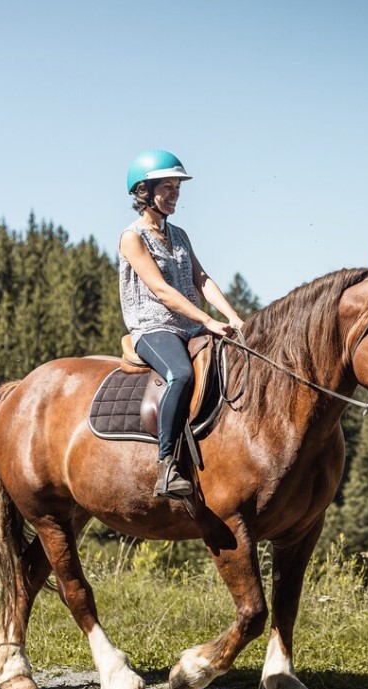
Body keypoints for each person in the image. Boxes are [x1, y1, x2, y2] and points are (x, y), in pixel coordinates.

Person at [118, 149, 246, 499]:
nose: (175, 194)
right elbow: (160, 289)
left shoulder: (180, 235)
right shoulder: (133, 238)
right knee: (182, 374)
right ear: (145, 191)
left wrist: (232, 316)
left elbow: (201, 279)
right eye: (167, 187)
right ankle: (166, 466)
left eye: (177, 187)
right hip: (153, 326)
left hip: (189, 327)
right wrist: (208, 319)